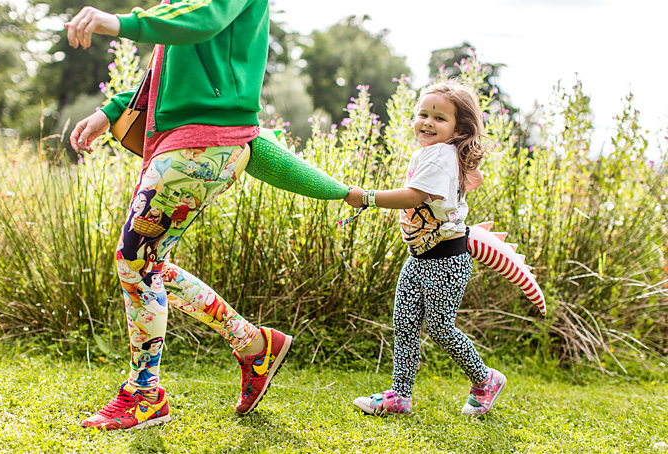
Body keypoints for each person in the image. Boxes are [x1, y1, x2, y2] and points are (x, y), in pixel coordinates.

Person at [65, 0, 293, 431]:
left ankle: (144, 396)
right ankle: (253, 345)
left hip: (206, 138)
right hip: (185, 139)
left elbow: (199, 21)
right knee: (148, 262)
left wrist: (119, 22)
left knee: (133, 260)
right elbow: (172, 61)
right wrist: (111, 111)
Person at [344, 81, 506, 416]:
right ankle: (399, 396)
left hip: (446, 261)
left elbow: (415, 196)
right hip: (419, 258)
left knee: (440, 328)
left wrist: (367, 197)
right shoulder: (428, 152)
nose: (428, 122)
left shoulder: (443, 156)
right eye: (423, 114)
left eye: (439, 118)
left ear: (459, 129)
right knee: (404, 322)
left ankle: (485, 379)